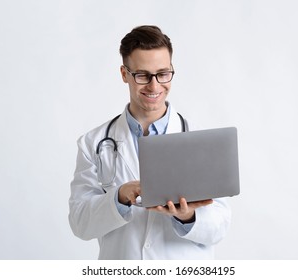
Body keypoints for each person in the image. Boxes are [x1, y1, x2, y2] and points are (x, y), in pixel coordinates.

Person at [68, 25, 231, 259]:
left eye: (163, 74)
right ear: (125, 74)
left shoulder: (201, 139)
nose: (155, 86)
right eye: (143, 75)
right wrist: (120, 197)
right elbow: (80, 223)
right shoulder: (93, 143)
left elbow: (221, 224)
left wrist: (187, 217)